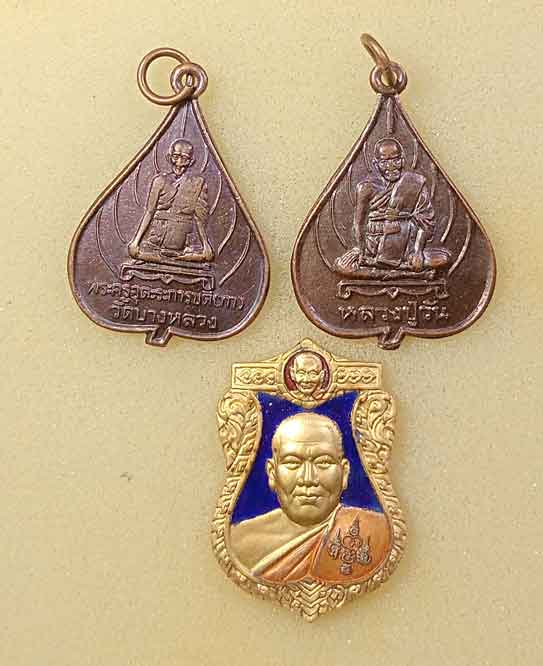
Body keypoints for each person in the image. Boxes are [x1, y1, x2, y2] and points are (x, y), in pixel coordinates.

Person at [230, 412, 390, 583]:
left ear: (344, 473)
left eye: (323, 462)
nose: (308, 479)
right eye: (292, 462)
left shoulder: (377, 533)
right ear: (272, 473)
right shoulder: (239, 540)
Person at [335, 137, 450, 276]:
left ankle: (384, 268)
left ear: (402, 160)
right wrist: (361, 248)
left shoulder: (415, 183)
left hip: (407, 244)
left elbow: (426, 221)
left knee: (444, 258)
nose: (391, 166)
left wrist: (418, 251)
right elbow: (359, 224)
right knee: (343, 266)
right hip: (374, 246)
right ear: (376, 164)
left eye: (395, 160)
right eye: (384, 162)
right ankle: (407, 274)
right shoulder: (366, 188)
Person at [128, 139, 213, 264]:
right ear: (169, 157)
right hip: (157, 239)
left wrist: (206, 245)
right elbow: (150, 212)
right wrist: (136, 241)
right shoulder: (159, 181)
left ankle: (172, 258)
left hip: (185, 241)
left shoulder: (198, 183)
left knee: (206, 257)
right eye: (176, 157)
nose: (179, 163)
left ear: (191, 161)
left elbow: (199, 217)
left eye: (184, 159)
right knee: (135, 253)